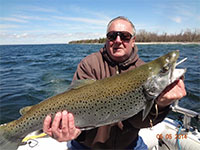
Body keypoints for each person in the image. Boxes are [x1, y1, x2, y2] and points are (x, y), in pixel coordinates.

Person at [43, 16, 186, 149]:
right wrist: (68, 131)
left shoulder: (143, 70)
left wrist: (161, 105)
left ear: (133, 40)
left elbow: (140, 122)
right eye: (112, 36)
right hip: (87, 146)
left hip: (129, 145)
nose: (118, 40)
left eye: (125, 36)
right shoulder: (89, 64)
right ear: (107, 39)